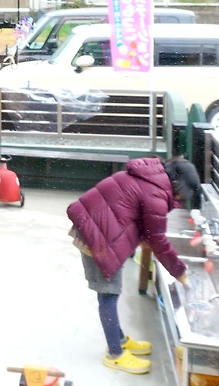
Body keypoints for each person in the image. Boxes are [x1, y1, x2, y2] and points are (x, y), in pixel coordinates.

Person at [67, 157, 192, 375]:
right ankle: (115, 354)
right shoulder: (156, 194)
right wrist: (179, 271)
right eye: (183, 196)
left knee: (110, 292)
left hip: (98, 226)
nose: (180, 200)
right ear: (179, 186)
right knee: (108, 293)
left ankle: (120, 340)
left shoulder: (152, 178)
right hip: (96, 236)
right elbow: (158, 239)